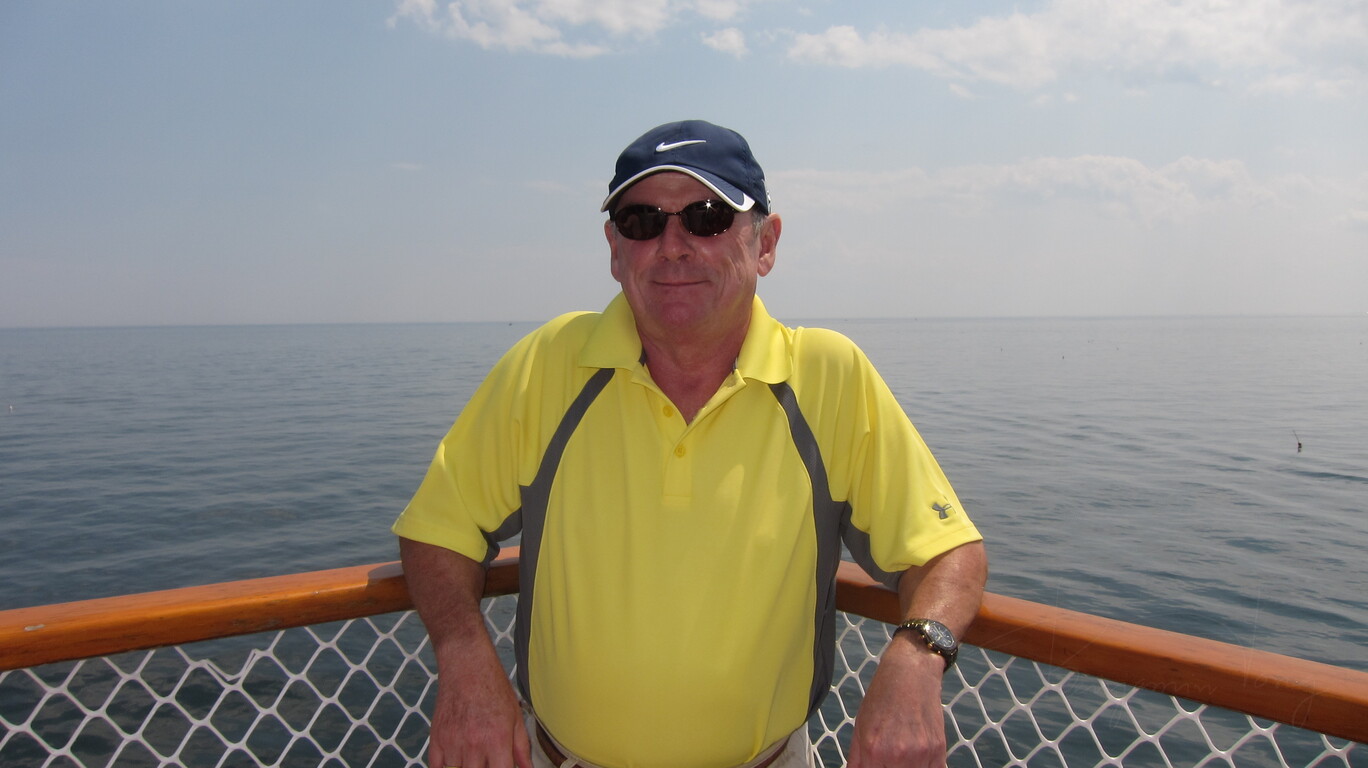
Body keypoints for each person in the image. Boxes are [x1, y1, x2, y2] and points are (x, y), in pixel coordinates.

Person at [393, 119, 988, 768]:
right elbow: (437, 529)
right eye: (642, 221)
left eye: (707, 217)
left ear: (766, 243)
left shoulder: (829, 378)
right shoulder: (546, 366)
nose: (672, 246)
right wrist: (464, 657)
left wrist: (916, 658)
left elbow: (948, 552)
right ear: (615, 250)